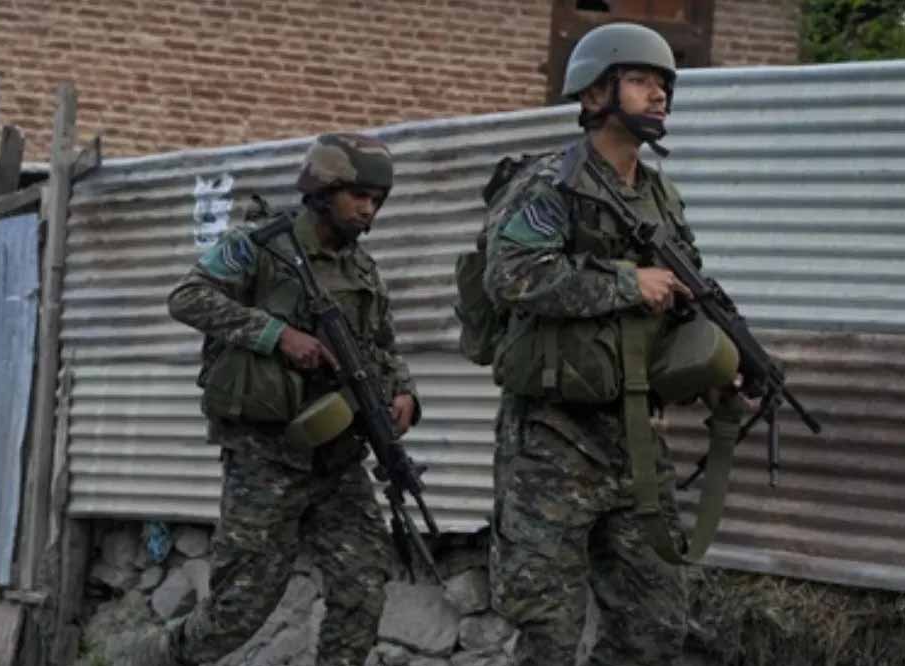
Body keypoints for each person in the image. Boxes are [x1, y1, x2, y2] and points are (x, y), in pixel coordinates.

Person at [483, 23, 744, 665]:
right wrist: (627, 282)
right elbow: (509, 275)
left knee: (654, 629)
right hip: (551, 440)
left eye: (663, 84)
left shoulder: (661, 196)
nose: (659, 94)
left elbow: (681, 300)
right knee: (547, 634)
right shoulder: (551, 183)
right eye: (640, 80)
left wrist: (714, 371)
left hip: (635, 439)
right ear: (596, 92)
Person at [134, 133, 420, 666]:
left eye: (378, 200)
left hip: (338, 459)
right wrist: (276, 335)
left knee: (362, 589)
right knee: (238, 610)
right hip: (265, 458)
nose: (368, 209)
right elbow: (187, 297)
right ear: (322, 191)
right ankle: (149, 659)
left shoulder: (361, 269)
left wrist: (405, 392)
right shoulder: (261, 245)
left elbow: (382, 345)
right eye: (359, 195)